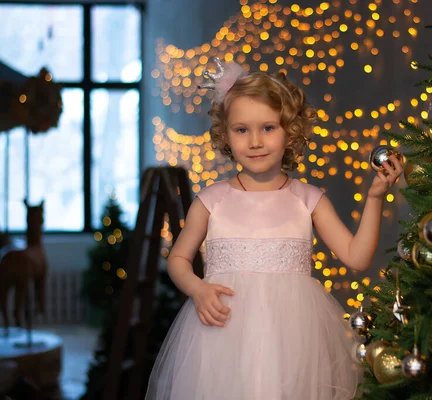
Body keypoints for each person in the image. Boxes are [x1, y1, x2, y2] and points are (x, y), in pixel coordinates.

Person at [145, 57, 403, 400]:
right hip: (222, 336)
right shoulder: (212, 201)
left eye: (268, 128)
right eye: (242, 130)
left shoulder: (308, 199)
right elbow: (178, 259)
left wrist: (374, 198)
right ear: (225, 134)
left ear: (290, 131)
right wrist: (197, 289)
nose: (255, 141)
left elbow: (356, 257)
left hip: (292, 341)